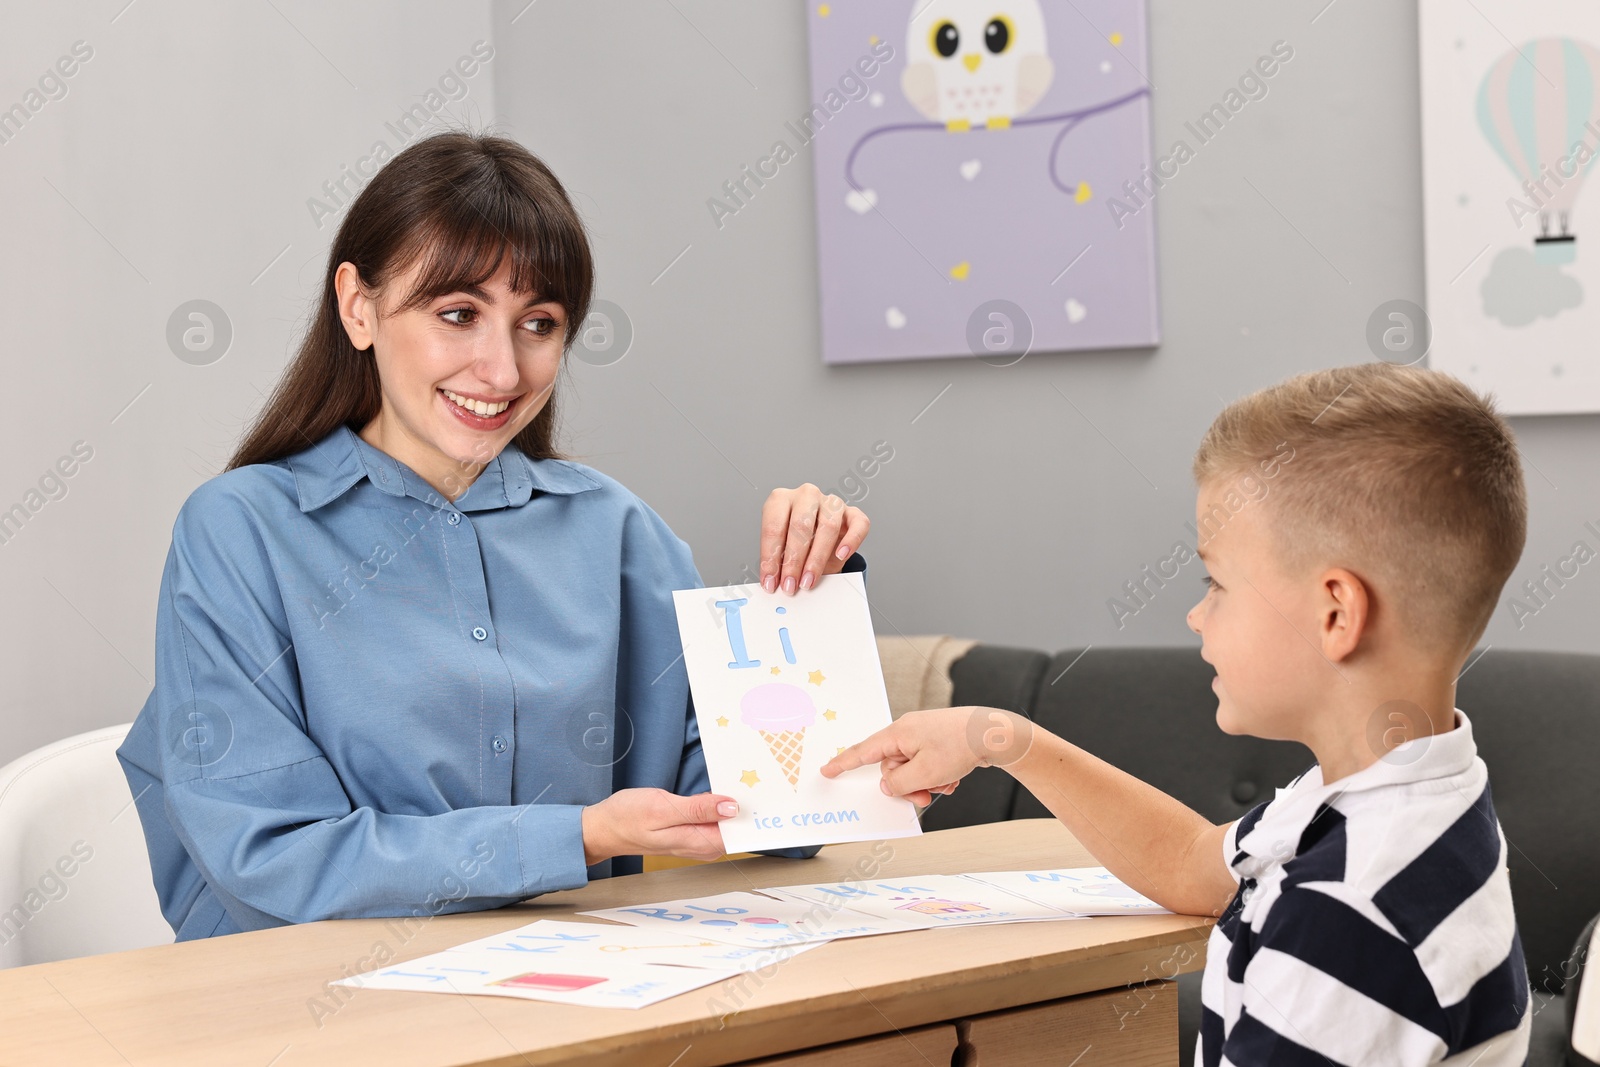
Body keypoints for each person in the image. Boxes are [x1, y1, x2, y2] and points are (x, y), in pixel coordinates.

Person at [117, 131, 869, 941]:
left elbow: (765, 813)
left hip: (579, 994)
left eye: (537, 323)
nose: (503, 372)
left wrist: (808, 594)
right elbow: (270, 860)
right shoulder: (239, 531)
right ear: (357, 306)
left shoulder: (618, 530)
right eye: (459, 313)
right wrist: (575, 840)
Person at [825, 363, 1532, 1065]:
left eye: (1216, 582)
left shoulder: (1343, 919)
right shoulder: (1404, 793)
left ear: (1335, 612)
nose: (1196, 614)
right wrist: (1002, 739)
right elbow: (1189, 862)